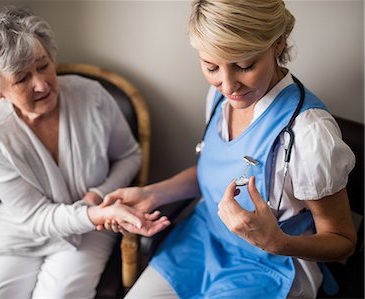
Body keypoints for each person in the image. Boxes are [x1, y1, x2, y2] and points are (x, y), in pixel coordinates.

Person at [102, 0, 357, 298]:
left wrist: (276, 242)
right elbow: (216, 173)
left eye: (244, 65)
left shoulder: (309, 133)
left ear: (277, 44)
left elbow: (342, 239)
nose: (227, 85)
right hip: (203, 240)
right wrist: (151, 194)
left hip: (270, 265)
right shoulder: (220, 99)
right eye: (211, 67)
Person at [0, 7, 169, 298]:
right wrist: (94, 213)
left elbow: (130, 155)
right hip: (25, 227)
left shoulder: (92, 96)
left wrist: (98, 197)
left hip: (93, 229)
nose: (42, 83)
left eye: (43, 65)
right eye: (22, 78)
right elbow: (34, 216)